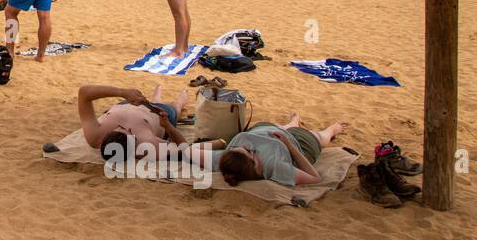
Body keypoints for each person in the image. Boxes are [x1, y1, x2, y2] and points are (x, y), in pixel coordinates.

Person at [76, 82, 207, 161]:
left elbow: (84, 93)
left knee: (153, 101)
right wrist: (167, 126)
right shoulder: (147, 145)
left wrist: (123, 92)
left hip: (127, 103)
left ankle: (157, 96)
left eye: (119, 127)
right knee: (176, 108)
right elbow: (183, 148)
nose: (126, 127)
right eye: (129, 132)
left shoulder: (95, 136)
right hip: (159, 114)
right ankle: (180, 100)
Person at [215, 115, 347, 187]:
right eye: (249, 151)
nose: (248, 147)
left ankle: (293, 122)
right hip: (298, 143)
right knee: (318, 137)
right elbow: (315, 178)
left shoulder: (225, 163)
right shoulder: (276, 167)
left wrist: (218, 143)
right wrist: (289, 145)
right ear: (254, 165)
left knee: (281, 128)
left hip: (266, 131)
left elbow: (193, 151)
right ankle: (333, 129)